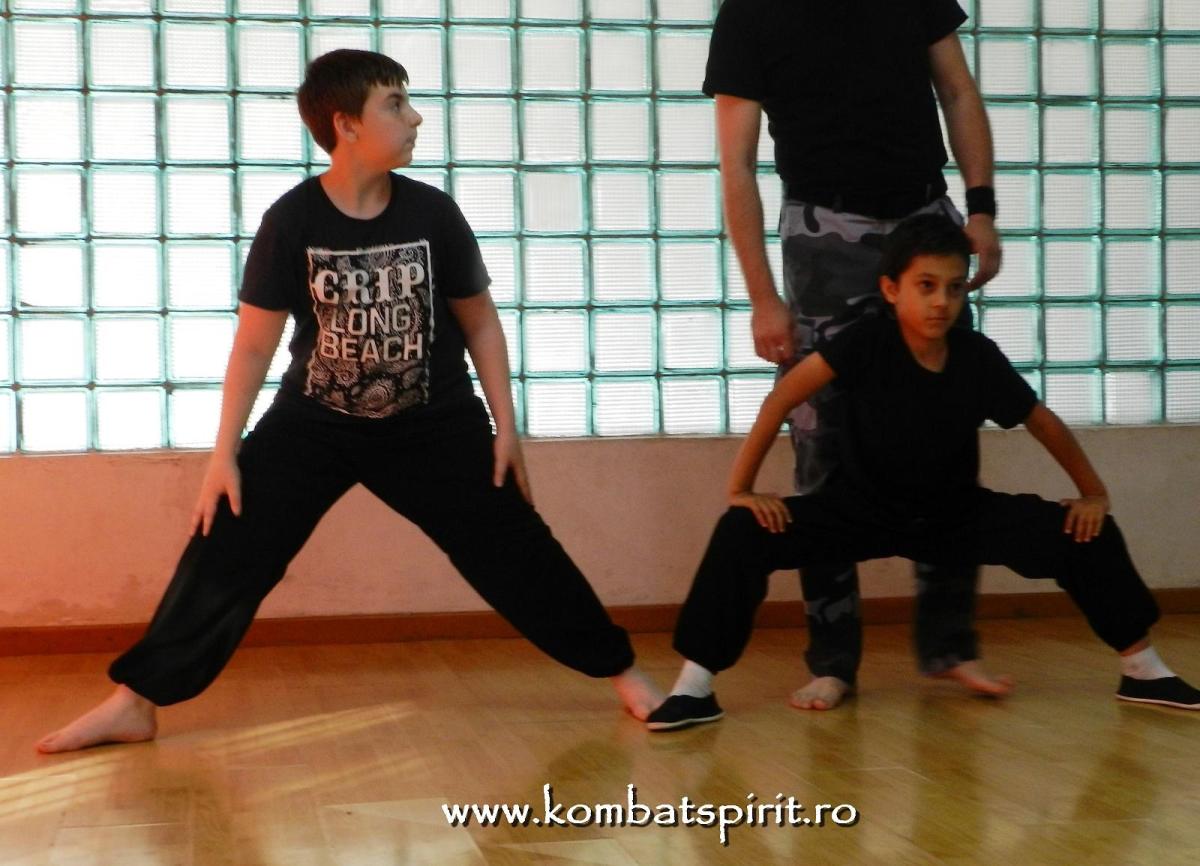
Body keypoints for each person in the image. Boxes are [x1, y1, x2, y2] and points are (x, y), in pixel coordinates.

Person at [37, 49, 662, 754]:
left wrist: (506, 428)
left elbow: (481, 322)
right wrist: (224, 455)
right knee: (228, 543)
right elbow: (254, 345)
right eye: (395, 103)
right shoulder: (292, 219)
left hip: (434, 422)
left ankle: (625, 674)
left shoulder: (433, 213)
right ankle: (135, 703)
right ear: (346, 124)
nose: (414, 116)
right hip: (314, 423)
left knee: (514, 547)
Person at [645, 214, 1200, 731]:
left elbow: (1041, 421)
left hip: (954, 516)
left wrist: (1093, 493)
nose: (941, 302)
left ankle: (1143, 670)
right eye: (926, 286)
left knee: (1087, 533)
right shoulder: (865, 343)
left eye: (954, 288)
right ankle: (695, 688)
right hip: (859, 511)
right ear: (892, 289)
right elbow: (783, 398)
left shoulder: (975, 355)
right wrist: (740, 488)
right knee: (741, 531)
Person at [704, 0, 1007, 710]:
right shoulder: (749, 13)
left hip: (925, 216)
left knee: (943, 423)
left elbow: (958, 90)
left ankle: (949, 645)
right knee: (821, 440)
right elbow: (736, 165)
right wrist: (763, 297)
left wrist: (982, 208)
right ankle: (833, 656)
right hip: (822, 229)